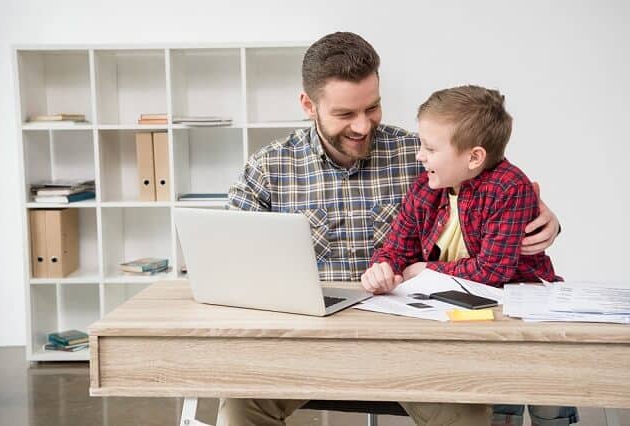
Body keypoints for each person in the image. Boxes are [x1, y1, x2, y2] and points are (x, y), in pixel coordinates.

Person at [222, 31, 561, 426]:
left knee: (466, 412)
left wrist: (546, 217)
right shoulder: (269, 167)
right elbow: (227, 254)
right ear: (308, 105)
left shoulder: (416, 153)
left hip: (412, 343)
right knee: (238, 403)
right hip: (307, 342)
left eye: (373, 107)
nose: (363, 126)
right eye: (345, 114)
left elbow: (488, 173)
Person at [362, 85, 578, 426]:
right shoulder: (425, 187)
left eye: (430, 148)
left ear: (473, 157)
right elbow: (396, 247)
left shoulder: (509, 187)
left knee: (545, 388)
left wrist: (424, 271)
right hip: (467, 312)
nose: (420, 155)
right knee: (494, 392)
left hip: (521, 306)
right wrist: (382, 267)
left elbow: (494, 270)